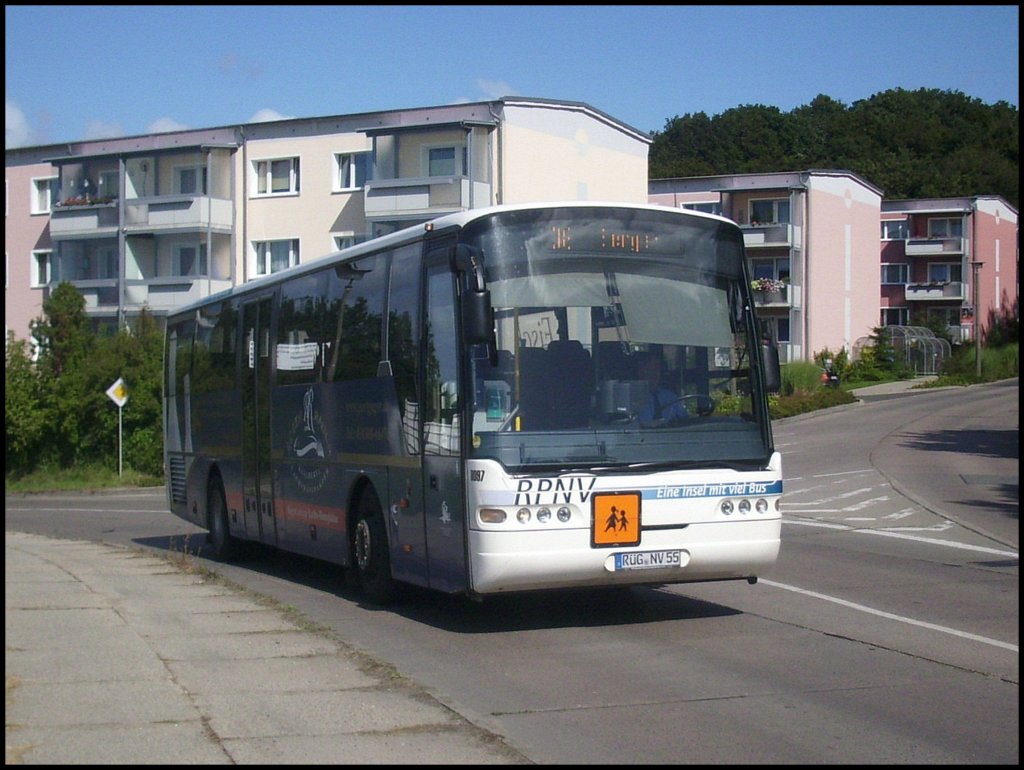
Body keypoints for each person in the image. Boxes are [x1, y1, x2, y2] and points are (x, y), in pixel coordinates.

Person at [636, 352, 687, 426]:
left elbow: (685, 422)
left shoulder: (671, 397)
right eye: (649, 369)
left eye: (656, 368)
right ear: (640, 371)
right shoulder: (633, 398)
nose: (654, 373)